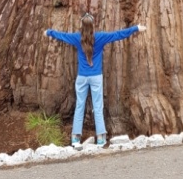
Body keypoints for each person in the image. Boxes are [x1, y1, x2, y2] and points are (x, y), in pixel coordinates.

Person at [44, 14, 146, 148]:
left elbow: (62, 35)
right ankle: (101, 138)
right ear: (93, 25)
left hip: (82, 77)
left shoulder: (77, 38)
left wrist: (48, 32)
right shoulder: (100, 37)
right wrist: (136, 28)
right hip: (96, 77)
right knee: (98, 107)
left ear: (82, 26)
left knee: (80, 106)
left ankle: (75, 138)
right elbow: (118, 34)